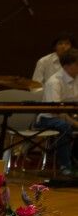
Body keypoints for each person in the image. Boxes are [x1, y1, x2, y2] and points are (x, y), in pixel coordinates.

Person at [37, 46, 78, 176]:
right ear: (66, 66)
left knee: (67, 124)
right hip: (48, 118)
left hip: (69, 116)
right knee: (64, 126)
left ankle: (75, 160)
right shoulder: (54, 82)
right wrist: (75, 123)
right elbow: (57, 111)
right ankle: (65, 165)